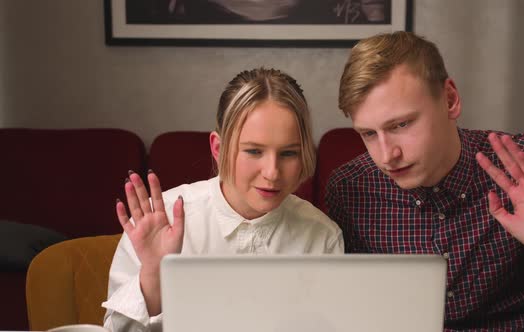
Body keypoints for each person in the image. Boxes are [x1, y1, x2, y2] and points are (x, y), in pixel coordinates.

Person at [326, 31, 524, 330]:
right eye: (369, 134)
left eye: (401, 124)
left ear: (450, 100)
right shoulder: (349, 189)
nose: (387, 156)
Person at [102, 68, 344, 331]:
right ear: (218, 148)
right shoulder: (158, 222)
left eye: (288, 153)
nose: (272, 173)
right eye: (254, 151)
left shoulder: (322, 236)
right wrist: (153, 275)